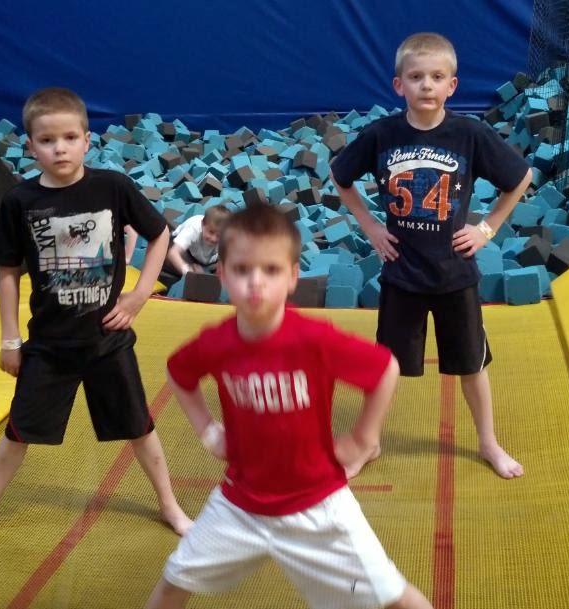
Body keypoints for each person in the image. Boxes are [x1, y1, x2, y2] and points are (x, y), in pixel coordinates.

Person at [145, 205, 433, 609]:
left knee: (393, 595)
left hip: (318, 505)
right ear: (222, 274)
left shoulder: (313, 340)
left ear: (293, 276)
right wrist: (208, 431)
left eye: (271, 270)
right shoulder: (217, 342)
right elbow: (179, 372)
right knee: (174, 580)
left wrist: (363, 439)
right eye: (242, 270)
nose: (255, 282)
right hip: (240, 504)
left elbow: (385, 368)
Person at [0, 87, 192, 549]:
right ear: (30, 145)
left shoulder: (112, 187)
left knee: (139, 426)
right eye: (47, 140)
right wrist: (9, 340)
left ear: (86, 140)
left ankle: (169, 505)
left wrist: (139, 295)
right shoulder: (20, 201)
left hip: (107, 340)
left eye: (69, 138)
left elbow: (159, 233)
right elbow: (7, 273)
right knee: (18, 431)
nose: (59, 148)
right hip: (49, 345)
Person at [330, 32, 532, 479]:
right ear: (398, 84)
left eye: (437, 77)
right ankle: (368, 442)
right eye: (417, 76)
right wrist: (371, 226)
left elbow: (520, 177)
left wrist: (486, 228)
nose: (427, 85)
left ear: (452, 85)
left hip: (455, 274)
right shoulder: (382, 135)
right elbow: (340, 175)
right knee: (386, 365)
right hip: (402, 274)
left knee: (472, 364)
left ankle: (488, 442)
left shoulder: (469, 134)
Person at [158, 205, 231, 289]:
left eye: (219, 235)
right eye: (211, 232)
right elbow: (173, 253)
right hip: (187, 252)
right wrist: (188, 271)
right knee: (167, 256)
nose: (214, 238)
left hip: (206, 260)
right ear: (202, 224)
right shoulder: (193, 228)